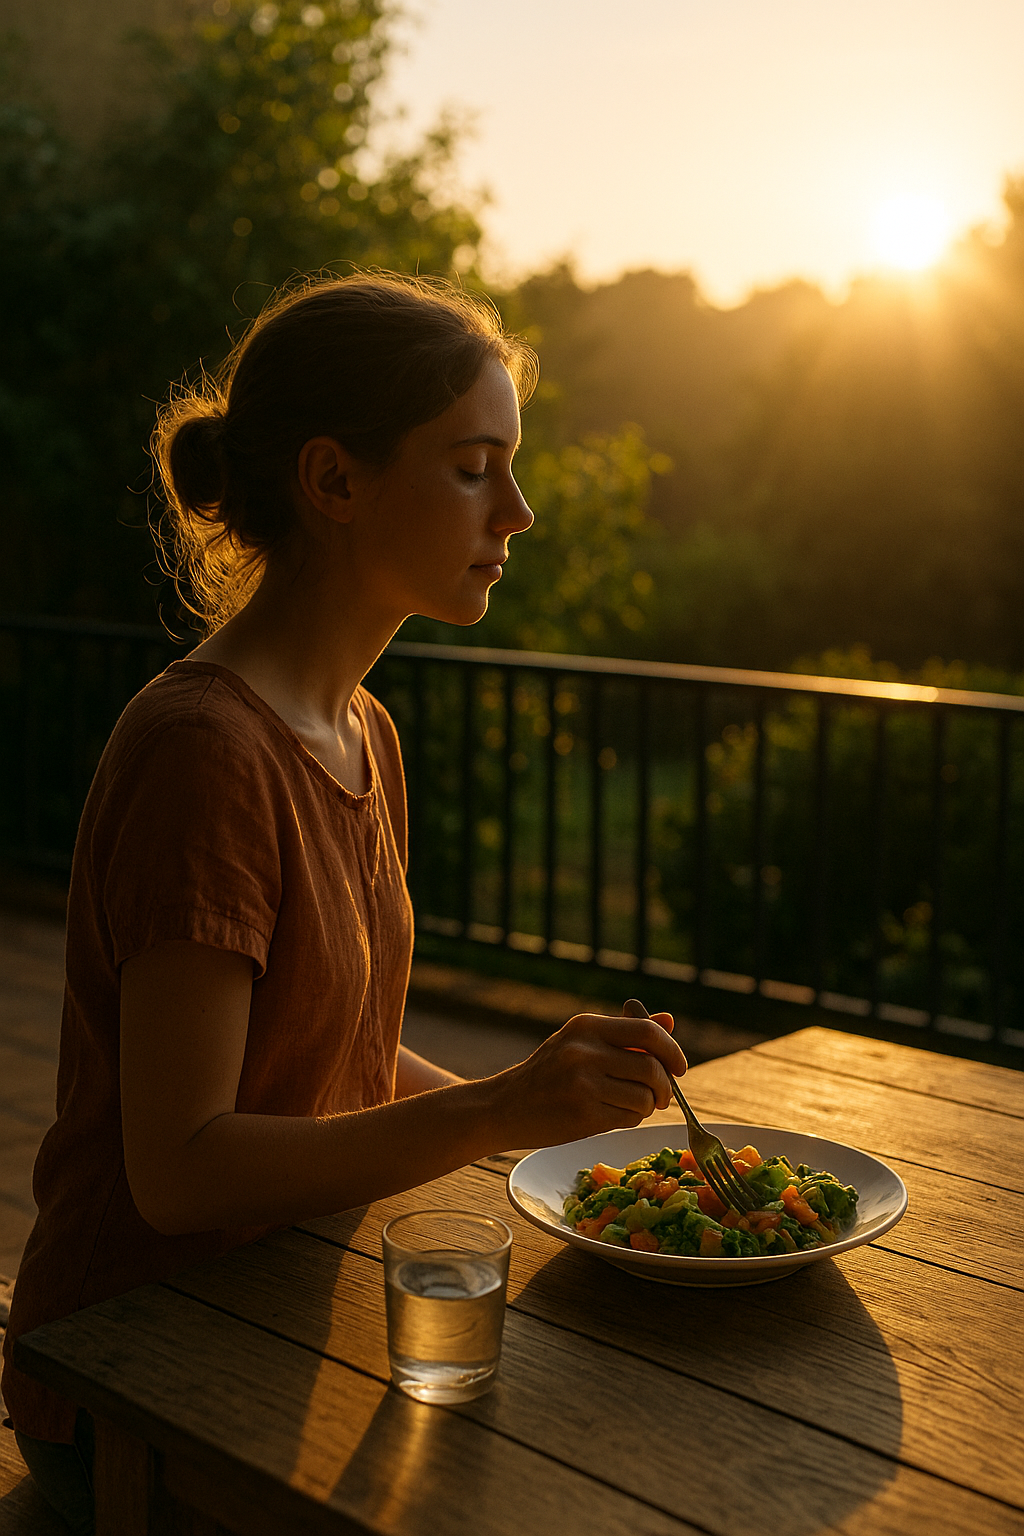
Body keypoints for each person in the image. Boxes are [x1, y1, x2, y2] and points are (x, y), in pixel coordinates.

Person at [1, 273, 685, 1532]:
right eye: (476, 467)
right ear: (335, 482)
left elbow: (342, 1060)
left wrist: (585, 1141)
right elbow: (182, 1173)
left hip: (272, 1301)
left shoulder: (361, 729)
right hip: (124, 1379)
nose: (519, 512)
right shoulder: (205, 752)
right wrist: (503, 1104)